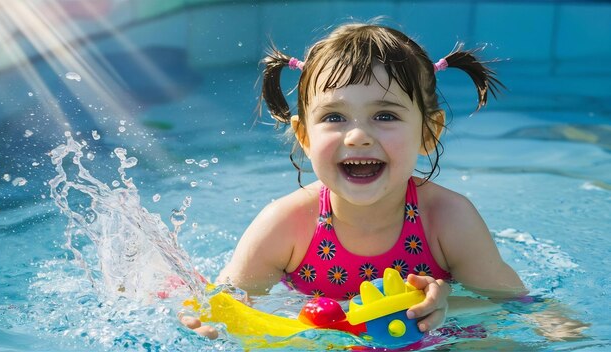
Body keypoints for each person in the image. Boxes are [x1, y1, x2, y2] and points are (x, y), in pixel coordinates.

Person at [180, 21, 527, 339]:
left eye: (385, 115)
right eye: (334, 117)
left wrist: (446, 306)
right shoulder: (286, 225)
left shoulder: (448, 219)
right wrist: (208, 321)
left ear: (428, 132)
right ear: (304, 136)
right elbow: (228, 304)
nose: (357, 136)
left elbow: (519, 306)